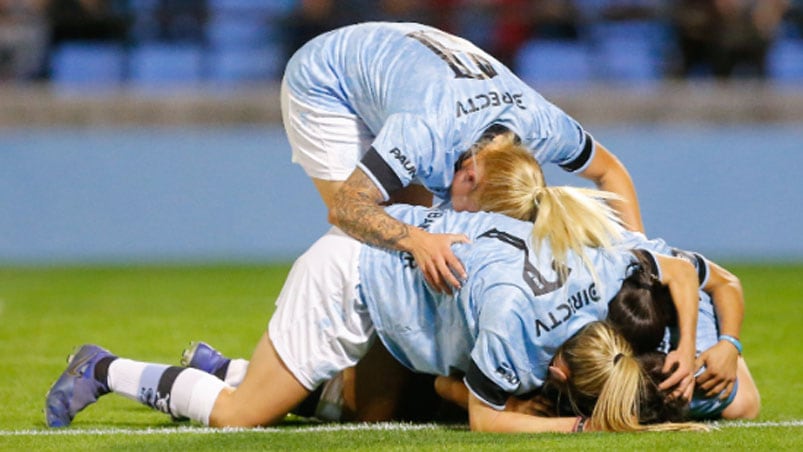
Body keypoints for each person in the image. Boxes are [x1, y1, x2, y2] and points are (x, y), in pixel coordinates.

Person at [45, 170, 701, 432]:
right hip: (353, 282)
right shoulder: (511, 323)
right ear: (560, 370)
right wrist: (582, 427)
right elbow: (485, 420)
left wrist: (700, 348)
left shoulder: (599, 268)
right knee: (242, 421)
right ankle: (101, 369)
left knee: (342, 408)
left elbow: (681, 270)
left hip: (392, 283)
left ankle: (219, 368)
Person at [280, 21, 644, 293]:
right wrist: (415, 239)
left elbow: (610, 172)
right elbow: (347, 207)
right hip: (329, 78)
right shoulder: (424, 133)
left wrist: (639, 258)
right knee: (368, 245)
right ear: (469, 176)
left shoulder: (545, 127)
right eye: (477, 215)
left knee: (426, 238)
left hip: (414, 76)